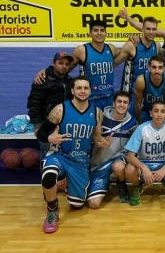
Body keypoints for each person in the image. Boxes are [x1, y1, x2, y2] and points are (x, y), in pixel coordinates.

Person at [36, 76, 111, 233]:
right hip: (61, 156)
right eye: (79, 88)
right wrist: (50, 138)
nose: (82, 91)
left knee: (77, 205)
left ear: (90, 91)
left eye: (85, 88)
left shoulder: (97, 113)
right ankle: (52, 210)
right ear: (72, 90)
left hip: (81, 162)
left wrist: (101, 143)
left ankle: (66, 183)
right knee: (48, 174)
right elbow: (40, 132)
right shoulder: (60, 109)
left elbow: (96, 138)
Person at [35, 20, 126, 110]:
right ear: (90, 33)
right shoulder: (82, 50)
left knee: (108, 125)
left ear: (106, 33)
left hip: (109, 98)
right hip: (90, 99)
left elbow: (124, 52)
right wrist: (47, 71)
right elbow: (65, 68)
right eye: (95, 30)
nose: (99, 33)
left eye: (102, 30)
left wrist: (132, 40)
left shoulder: (111, 48)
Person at [124, 101, 165, 206]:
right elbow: (130, 156)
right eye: (156, 111)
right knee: (129, 170)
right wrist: (144, 168)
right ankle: (139, 185)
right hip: (145, 163)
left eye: (162, 111)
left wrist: (163, 170)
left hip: (163, 163)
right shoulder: (142, 128)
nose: (159, 114)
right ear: (151, 113)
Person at [88, 91, 137, 206]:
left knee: (119, 166)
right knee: (94, 204)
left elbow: (132, 148)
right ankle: (104, 183)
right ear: (113, 103)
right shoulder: (100, 118)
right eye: (119, 101)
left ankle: (121, 184)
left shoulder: (132, 123)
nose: (122, 105)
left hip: (118, 160)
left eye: (125, 102)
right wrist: (100, 141)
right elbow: (93, 138)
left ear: (129, 105)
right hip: (100, 164)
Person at [27, 52, 73, 163]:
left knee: (65, 155)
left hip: (65, 123)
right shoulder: (42, 79)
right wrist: (37, 125)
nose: (64, 66)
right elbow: (33, 103)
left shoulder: (70, 81)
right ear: (53, 63)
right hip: (46, 124)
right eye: (60, 63)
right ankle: (46, 178)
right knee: (47, 156)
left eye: (67, 64)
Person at [116, 16, 161, 116]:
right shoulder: (132, 46)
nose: (151, 32)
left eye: (154, 29)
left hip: (149, 94)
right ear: (142, 29)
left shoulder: (156, 46)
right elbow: (114, 64)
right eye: (148, 29)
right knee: (130, 126)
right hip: (131, 95)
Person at [134, 55, 165, 125]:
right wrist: (139, 123)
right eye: (154, 67)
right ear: (149, 68)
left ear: (164, 69)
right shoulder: (141, 81)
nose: (157, 71)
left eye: (160, 67)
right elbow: (138, 104)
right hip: (147, 112)